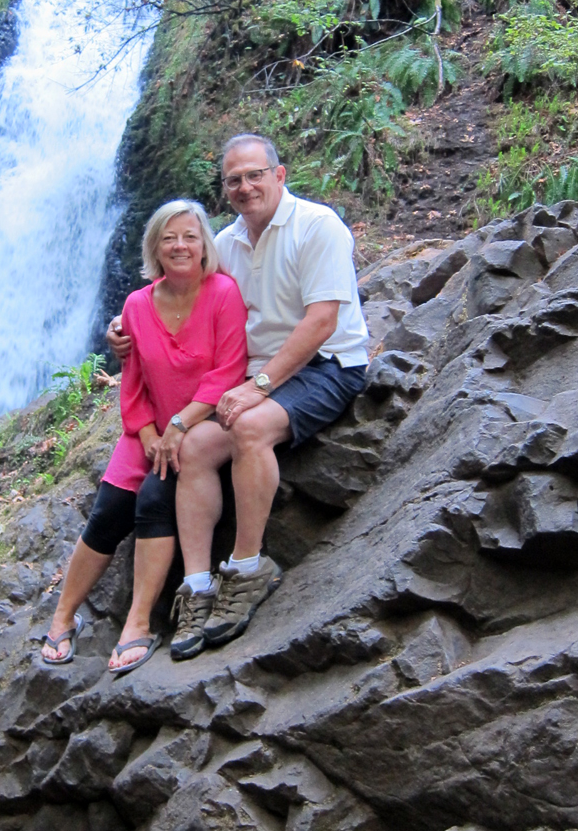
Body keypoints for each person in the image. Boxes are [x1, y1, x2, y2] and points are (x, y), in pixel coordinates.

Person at [108, 134, 368, 658]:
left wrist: (259, 386)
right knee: (194, 447)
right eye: (234, 180)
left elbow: (322, 321)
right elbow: (175, 288)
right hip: (254, 375)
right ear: (225, 189)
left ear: (280, 174)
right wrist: (124, 327)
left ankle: (248, 569)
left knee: (249, 428)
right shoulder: (224, 244)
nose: (245, 187)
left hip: (326, 367)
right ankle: (199, 585)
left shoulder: (318, 227)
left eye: (254, 175)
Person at [41, 199, 247, 674]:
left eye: (190, 237)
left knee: (154, 498)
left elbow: (229, 371)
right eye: (169, 237)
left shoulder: (223, 293)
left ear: (204, 246)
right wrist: (152, 432)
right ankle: (63, 614)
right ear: (154, 247)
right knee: (110, 507)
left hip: (201, 426)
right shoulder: (136, 305)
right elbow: (132, 385)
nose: (180, 245)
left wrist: (178, 428)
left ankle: (137, 623)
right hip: (149, 430)